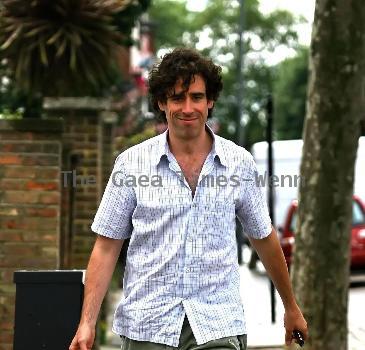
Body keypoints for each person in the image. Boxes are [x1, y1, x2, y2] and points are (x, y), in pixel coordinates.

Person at [69, 48, 308, 350]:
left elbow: (263, 236)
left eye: (196, 97)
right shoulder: (131, 165)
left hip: (217, 324)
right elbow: (106, 246)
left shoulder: (239, 163)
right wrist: (87, 322)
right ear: (161, 103)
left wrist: (291, 307)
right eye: (177, 98)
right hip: (148, 324)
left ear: (210, 101)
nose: (187, 107)